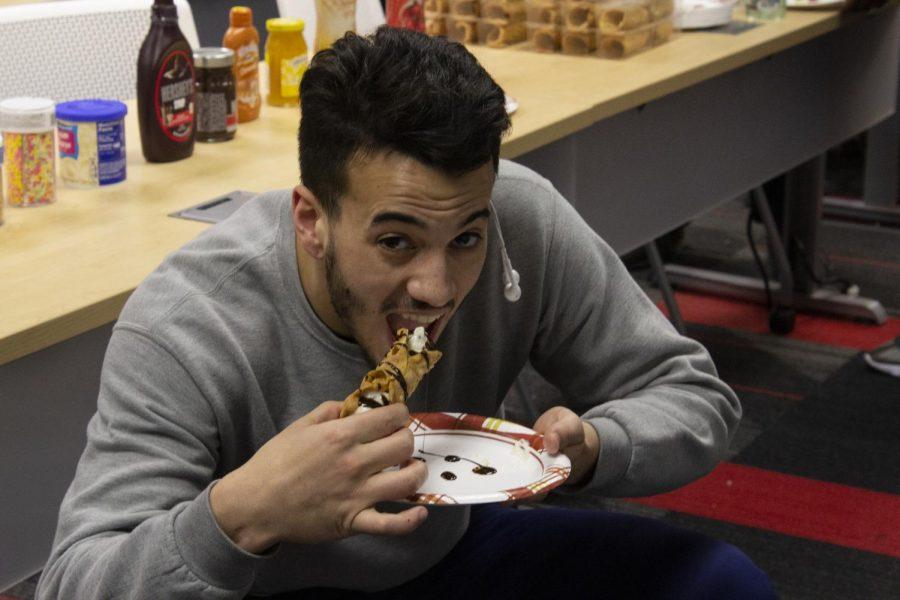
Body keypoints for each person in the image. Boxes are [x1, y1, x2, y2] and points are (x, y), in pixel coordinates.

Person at [37, 27, 774, 599]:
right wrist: (241, 514)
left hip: (447, 555)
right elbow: (75, 581)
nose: (437, 287)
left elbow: (696, 398)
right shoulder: (189, 323)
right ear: (310, 219)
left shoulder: (520, 219)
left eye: (465, 240)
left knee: (721, 583)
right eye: (395, 241)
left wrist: (592, 450)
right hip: (260, 589)